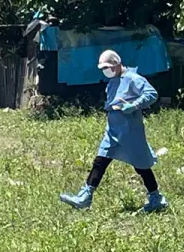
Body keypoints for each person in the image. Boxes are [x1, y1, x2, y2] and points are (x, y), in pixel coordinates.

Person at [60, 50, 168, 212]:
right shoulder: (113, 81)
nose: (106, 70)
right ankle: (85, 196)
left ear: (117, 64)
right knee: (100, 160)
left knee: (141, 165)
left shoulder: (133, 78)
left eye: (108, 67)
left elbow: (151, 94)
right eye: (103, 68)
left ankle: (156, 198)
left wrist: (135, 105)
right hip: (113, 130)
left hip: (130, 130)